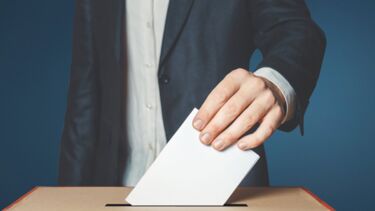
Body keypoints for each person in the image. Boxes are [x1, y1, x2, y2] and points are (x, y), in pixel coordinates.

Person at [59, 0, 326, 186]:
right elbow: (85, 97)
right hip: (114, 188)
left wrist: (274, 81)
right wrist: (69, 199)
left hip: (222, 188)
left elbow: (295, 30)